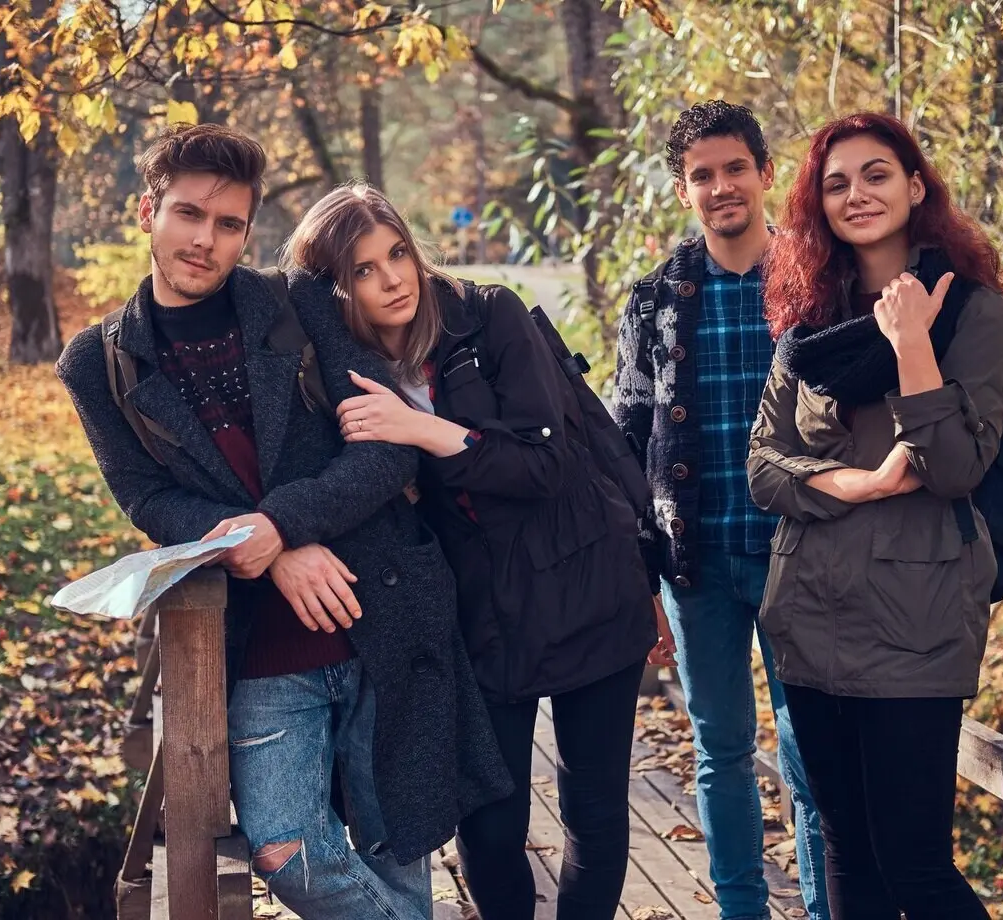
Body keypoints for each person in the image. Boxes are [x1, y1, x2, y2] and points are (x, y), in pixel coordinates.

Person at [55, 124, 511, 920]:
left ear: (248, 232)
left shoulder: (294, 304)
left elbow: (386, 451)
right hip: (261, 643)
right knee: (286, 849)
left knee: (397, 847)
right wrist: (262, 549)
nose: (205, 240)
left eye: (228, 224)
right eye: (189, 215)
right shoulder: (99, 362)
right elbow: (146, 499)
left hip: (387, 611)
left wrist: (280, 525)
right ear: (147, 211)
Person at [284, 182, 664, 920]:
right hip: (484, 616)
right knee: (490, 825)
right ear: (337, 289)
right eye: (364, 269)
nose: (393, 278)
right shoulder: (340, 371)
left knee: (594, 809)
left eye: (398, 253)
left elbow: (544, 466)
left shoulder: (488, 316)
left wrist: (419, 429)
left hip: (587, 582)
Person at [750, 111, 1003, 919]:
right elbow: (762, 465)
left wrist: (910, 344)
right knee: (846, 859)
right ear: (817, 206)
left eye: (875, 174)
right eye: (836, 183)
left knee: (915, 868)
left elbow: (956, 466)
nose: (856, 194)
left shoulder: (972, 310)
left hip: (915, 621)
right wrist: (852, 485)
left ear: (915, 186)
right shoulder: (807, 322)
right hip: (810, 612)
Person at [612, 101, 830, 920]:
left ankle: (820, 905)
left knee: (810, 758)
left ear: (766, 174)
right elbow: (626, 440)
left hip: (802, 558)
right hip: (695, 563)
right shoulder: (656, 300)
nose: (720, 186)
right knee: (721, 752)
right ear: (682, 192)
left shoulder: (819, 286)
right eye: (701, 175)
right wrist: (640, 575)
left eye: (734, 168)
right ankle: (742, 909)